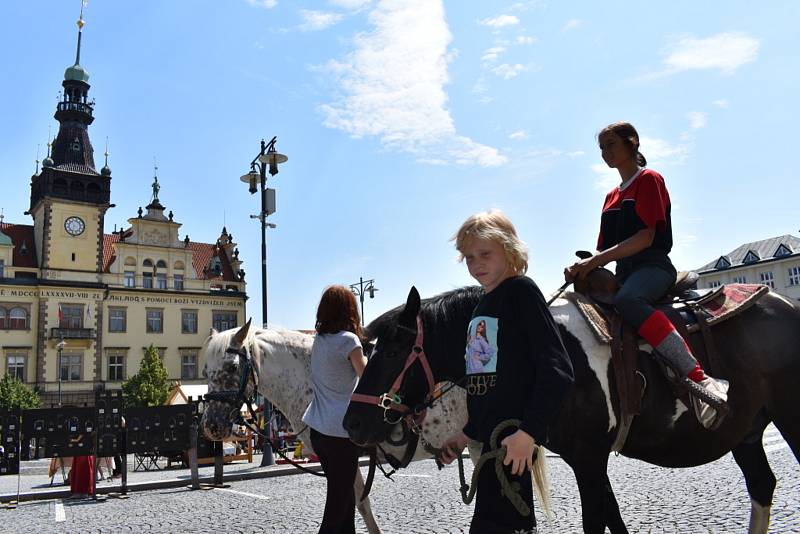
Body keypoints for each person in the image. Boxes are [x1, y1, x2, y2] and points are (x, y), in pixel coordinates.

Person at [564, 121, 728, 429]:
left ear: (633, 143)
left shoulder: (649, 179)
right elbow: (606, 248)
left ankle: (700, 379)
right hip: (623, 270)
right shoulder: (611, 195)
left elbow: (646, 237)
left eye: (610, 144)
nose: (605, 152)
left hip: (652, 266)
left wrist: (599, 259)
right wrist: (584, 266)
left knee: (629, 300)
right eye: (601, 148)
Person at [441, 210, 574, 534]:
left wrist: (529, 434)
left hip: (512, 443)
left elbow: (558, 370)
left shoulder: (521, 292)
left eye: (485, 254)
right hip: (489, 447)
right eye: (469, 257)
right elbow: (485, 388)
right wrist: (466, 434)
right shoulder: (480, 307)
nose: (476, 264)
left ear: (510, 250)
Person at [302, 285, 368, 534]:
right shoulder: (349, 341)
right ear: (349, 310)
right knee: (338, 501)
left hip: (319, 430)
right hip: (341, 432)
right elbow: (366, 375)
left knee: (345, 495)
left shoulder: (318, 341)